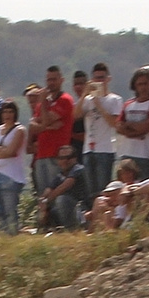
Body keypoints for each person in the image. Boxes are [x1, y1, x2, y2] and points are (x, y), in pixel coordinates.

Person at [31, 66, 77, 200]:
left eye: (54, 79)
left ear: (61, 80)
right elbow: (33, 126)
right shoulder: (42, 103)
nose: (51, 83)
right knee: (42, 195)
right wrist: (48, 125)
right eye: (48, 80)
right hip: (41, 155)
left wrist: (44, 121)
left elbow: (44, 120)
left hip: (57, 155)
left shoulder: (65, 100)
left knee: (56, 195)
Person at [79, 63, 124, 198]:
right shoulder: (87, 100)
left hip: (105, 150)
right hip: (88, 150)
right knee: (90, 191)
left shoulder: (115, 99)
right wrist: (84, 94)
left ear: (108, 79)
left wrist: (99, 105)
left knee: (103, 190)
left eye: (102, 78)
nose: (99, 81)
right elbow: (75, 115)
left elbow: (114, 123)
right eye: (96, 78)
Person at [0, 100, 28, 235]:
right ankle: (4, 237)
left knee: (10, 211)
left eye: (11, 111)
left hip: (11, 176)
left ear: (15, 113)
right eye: (5, 111)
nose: (7, 114)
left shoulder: (19, 130)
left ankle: (13, 236)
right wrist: (2, 150)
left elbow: (11, 151)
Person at [114, 66, 149, 180]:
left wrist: (129, 125)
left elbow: (145, 128)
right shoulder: (128, 104)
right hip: (126, 154)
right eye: (140, 84)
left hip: (145, 156)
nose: (143, 87)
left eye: (146, 84)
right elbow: (118, 127)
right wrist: (134, 128)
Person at [36, 146, 90, 229]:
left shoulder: (79, 169)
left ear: (75, 158)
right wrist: (43, 202)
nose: (64, 161)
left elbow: (65, 186)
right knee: (48, 209)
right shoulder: (60, 174)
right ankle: (49, 229)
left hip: (80, 207)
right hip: (66, 208)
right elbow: (49, 189)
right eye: (61, 158)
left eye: (68, 157)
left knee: (61, 200)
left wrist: (47, 201)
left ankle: (72, 229)